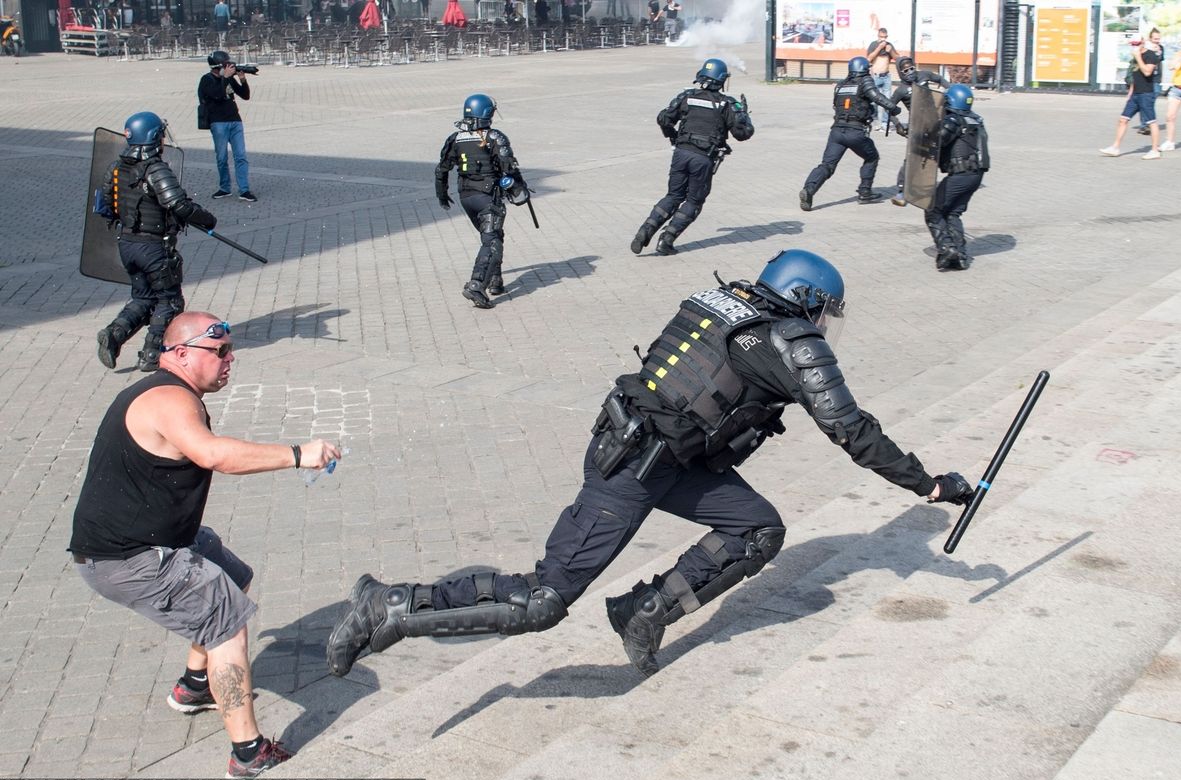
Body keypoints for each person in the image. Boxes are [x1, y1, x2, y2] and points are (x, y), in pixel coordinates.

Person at [326, 249, 973, 680]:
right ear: (804, 299)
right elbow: (850, 429)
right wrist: (930, 482)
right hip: (634, 463)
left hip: (666, 449)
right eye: (822, 311)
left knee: (757, 527)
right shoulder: (790, 340)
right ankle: (391, 606)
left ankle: (644, 611)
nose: (824, 326)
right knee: (543, 599)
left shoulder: (723, 301)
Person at [73, 311, 341, 777]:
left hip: (156, 539)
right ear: (180, 354)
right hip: (128, 557)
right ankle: (249, 754)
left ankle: (195, 686)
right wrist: (299, 455)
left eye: (230, 350)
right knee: (225, 620)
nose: (230, 359)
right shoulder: (169, 401)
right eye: (219, 352)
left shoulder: (169, 390)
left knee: (234, 578)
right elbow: (215, 456)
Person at [97, 112, 217, 372]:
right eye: (160, 136)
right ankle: (151, 354)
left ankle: (114, 334)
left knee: (143, 297)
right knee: (169, 300)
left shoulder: (116, 168)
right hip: (153, 248)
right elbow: (177, 203)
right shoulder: (155, 169)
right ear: (153, 138)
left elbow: (106, 205)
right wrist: (207, 219)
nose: (163, 140)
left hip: (127, 244)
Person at [630, 58, 754, 256]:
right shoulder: (727, 104)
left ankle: (645, 231)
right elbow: (743, 134)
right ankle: (666, 240)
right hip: (703, 158)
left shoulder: (687, 96)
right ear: (721, 80)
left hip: (680, 154)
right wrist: (744, 115)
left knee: (673, 195)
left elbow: (663, 118)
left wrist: (673, 136)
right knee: (694, 201)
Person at [435, 94, 528, 309]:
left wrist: (442, 194)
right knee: (492, 241)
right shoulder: (496, 137)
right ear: (487, 114)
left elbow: (441, 169)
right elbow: (510, 169)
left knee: (493, 236)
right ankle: (477, 284)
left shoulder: (455, 138)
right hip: (488, 197)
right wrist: (520, 191)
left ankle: (495, 281)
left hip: (466, 197)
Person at [799, 56, 904, 210]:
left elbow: (836, 105)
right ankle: (865, 192)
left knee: (827, 165)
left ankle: (809, 190)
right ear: (863, 69)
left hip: (836, 132)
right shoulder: (864, 81)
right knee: (872, 157)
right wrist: (893, 108)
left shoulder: (841, 85)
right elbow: (876, 96)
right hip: (855, 132)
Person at [924, 84, 989, 271]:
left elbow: (936, 140)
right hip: (976, 175)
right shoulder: (976, 119)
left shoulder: (954, 119)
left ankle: (947, 248)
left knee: (933, 210)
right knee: (952, 212)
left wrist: (915, 134)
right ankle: (960, 256)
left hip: (961, 174)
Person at [888, 55, 947, 207]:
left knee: (940, 153)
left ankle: (943, 188)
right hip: (917, 126)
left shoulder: (924, 75)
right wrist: (898, 125)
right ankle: (901, 190)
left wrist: (950, 89)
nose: (910, 72)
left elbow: (940, 79)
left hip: (935, 122)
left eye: (912, 68)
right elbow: (889, 109)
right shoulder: (901, 90)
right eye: (905, 70)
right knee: (912, 158)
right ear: (901, 73)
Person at [199, 50, 256, 202]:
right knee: (222, 157)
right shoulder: (206, 80)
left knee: (241, 157)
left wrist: (243, 80)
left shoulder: (229, 79)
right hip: (218, 123)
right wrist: (225, 78)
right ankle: (225, 188)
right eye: (225, 65)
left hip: (235, 121)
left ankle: (244, 190)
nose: (228, 67)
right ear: (217, 66)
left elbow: (245, 95)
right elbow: (217, 94)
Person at [1100, 30, 1163, 159]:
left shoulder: (1151, 56)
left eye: (1137, 43)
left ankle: (1155, 150)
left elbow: (1147, 72)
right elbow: (1135, 76)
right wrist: (1130, 93)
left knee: (1151, 122)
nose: (1135, 46)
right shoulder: (1134, 57)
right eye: (1133, 44)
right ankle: (1115, 147)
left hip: (1146, 94)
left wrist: (1138, 57)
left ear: (1143, 42)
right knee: (1123, 119)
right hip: (1135, 94)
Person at [866, 27, 897, 130]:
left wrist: (891, 51)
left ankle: (884, 123)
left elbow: (897, 58)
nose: (883, 39)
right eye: (881, 37)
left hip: (886, 77)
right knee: (874, 100)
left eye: (884, 37)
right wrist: (879, 48)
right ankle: (874, 122)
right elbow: (869, 58)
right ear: (878, 36)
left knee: (887, 101)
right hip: (876, 77)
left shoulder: (889, 45)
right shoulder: (874, 45)